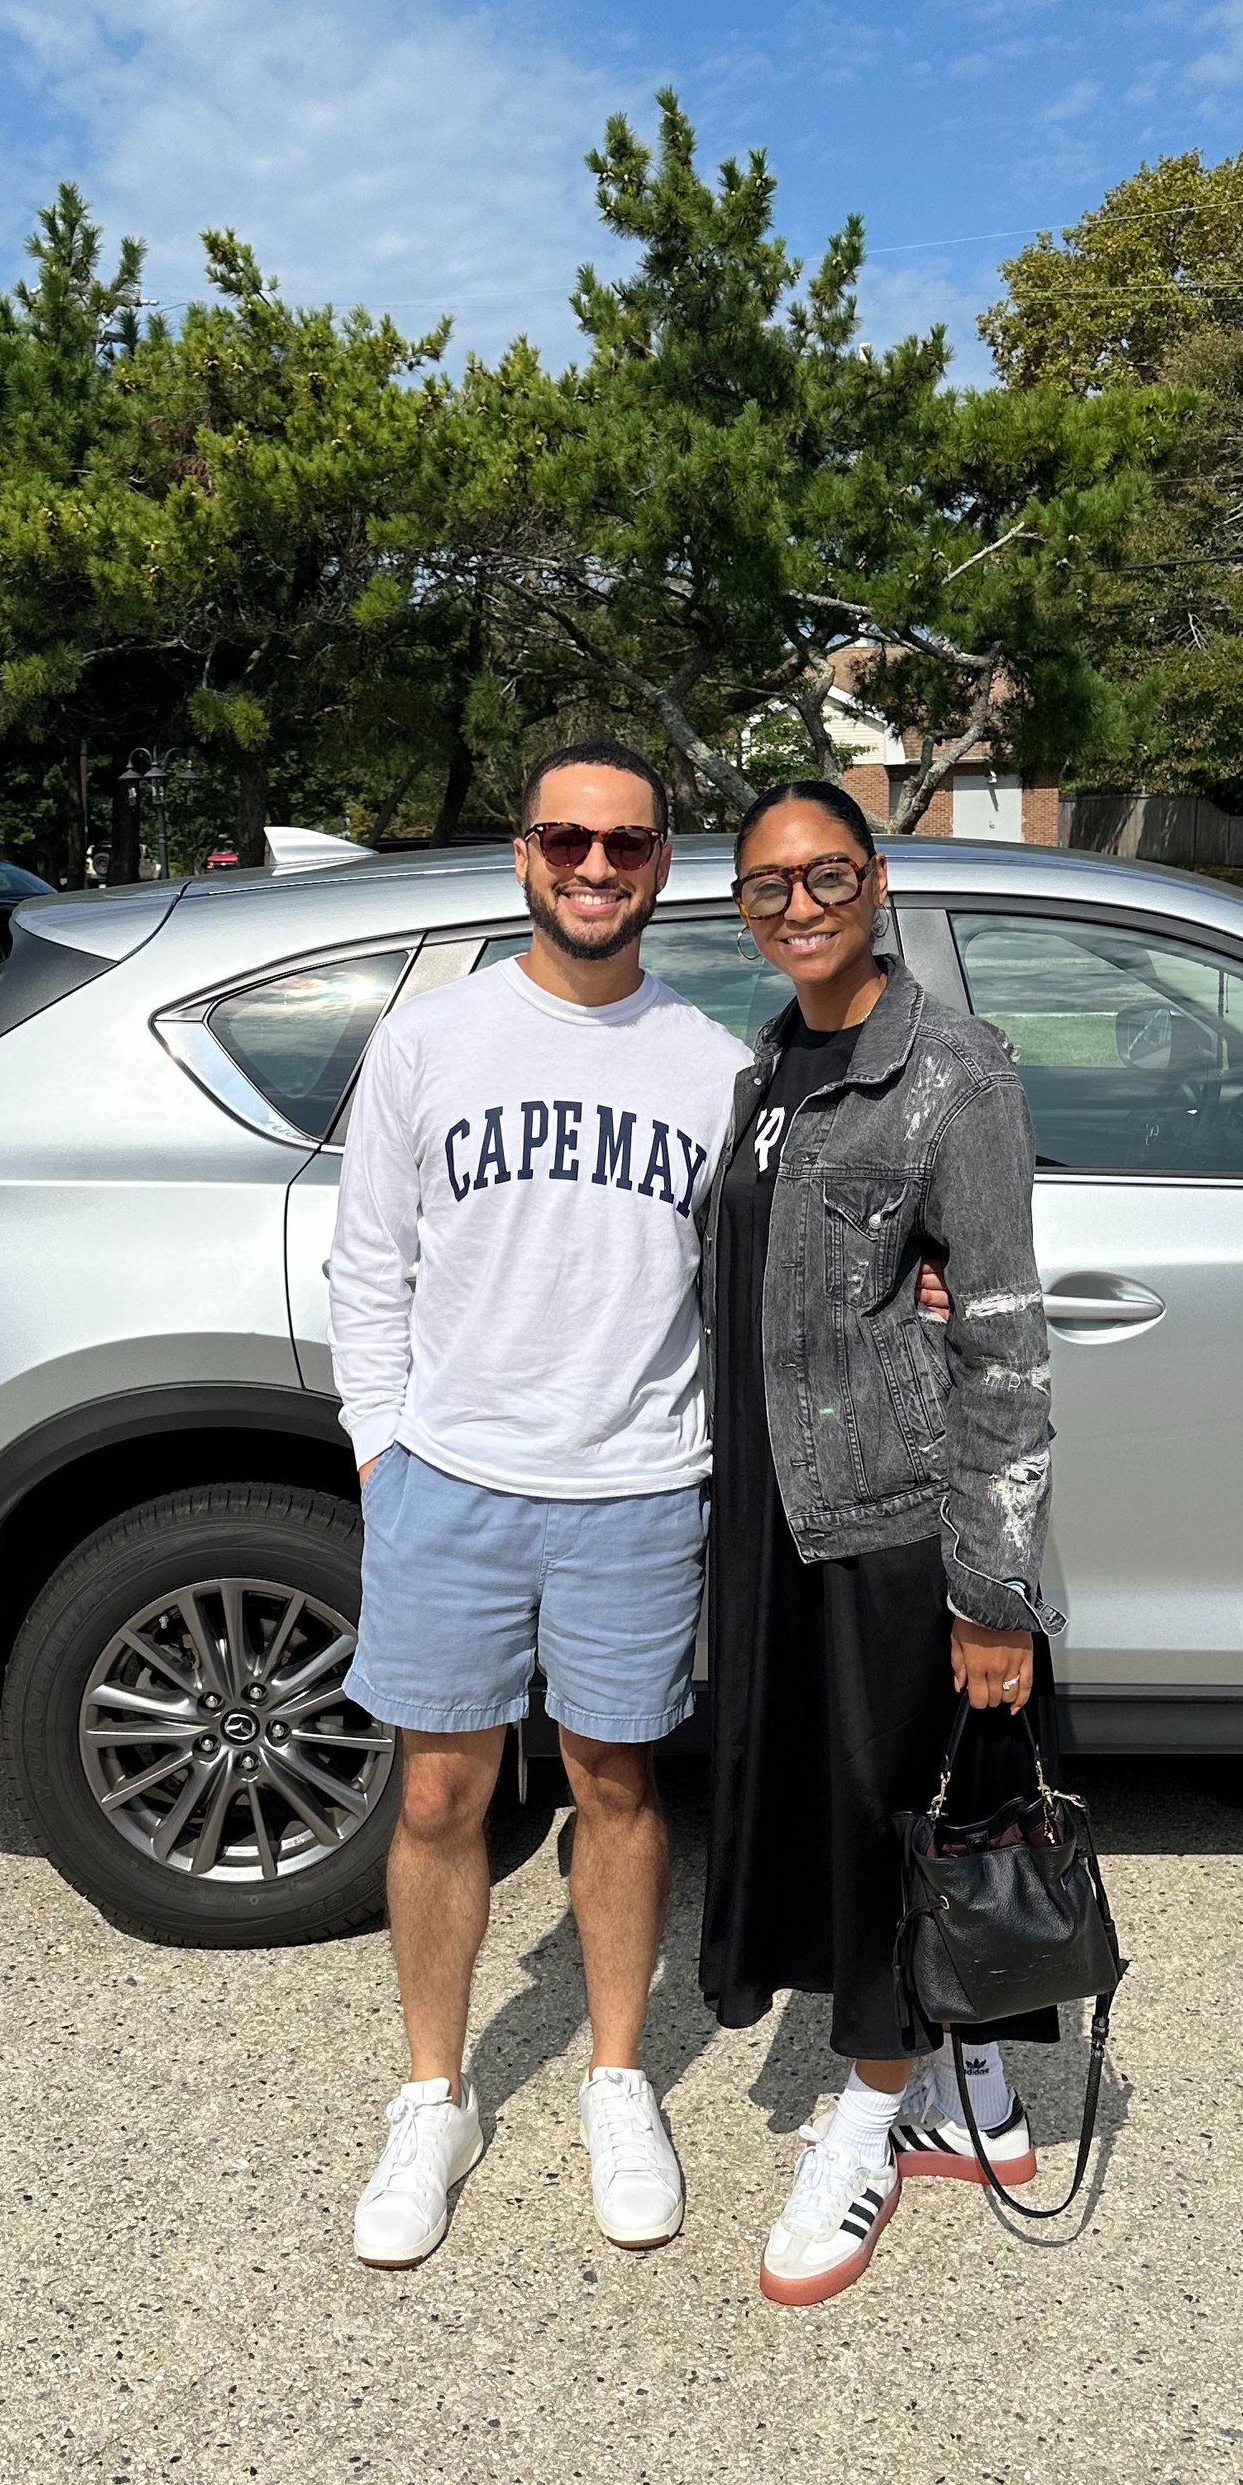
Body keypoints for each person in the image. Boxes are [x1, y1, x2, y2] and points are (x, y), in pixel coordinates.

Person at [329, 742, 746, 2269]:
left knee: (618, 1787)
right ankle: (432, 2096)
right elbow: (368, 1262)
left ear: (662, 864)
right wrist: (381, 1451)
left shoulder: (713, 1065)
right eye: (566, 838)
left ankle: (617, 2078)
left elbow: (752, 1281)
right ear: (522, 854)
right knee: (440, 1797)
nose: (594, 865)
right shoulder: (430, 1040)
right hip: (451, 1480)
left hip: (635, 1487)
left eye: (625, 843)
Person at [696, 777, 1057, 2307]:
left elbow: (1007, 1343)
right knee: (870, 1815)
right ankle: (975, 2091)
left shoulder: (951, 1069)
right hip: (787, 1510)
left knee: (888, 1820)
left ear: (878, 879)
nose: (800, 905)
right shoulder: (771, 1063)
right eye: (768, 885)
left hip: (897, 1518)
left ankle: (868, 2115)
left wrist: (994, 1589)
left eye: (827, 874)